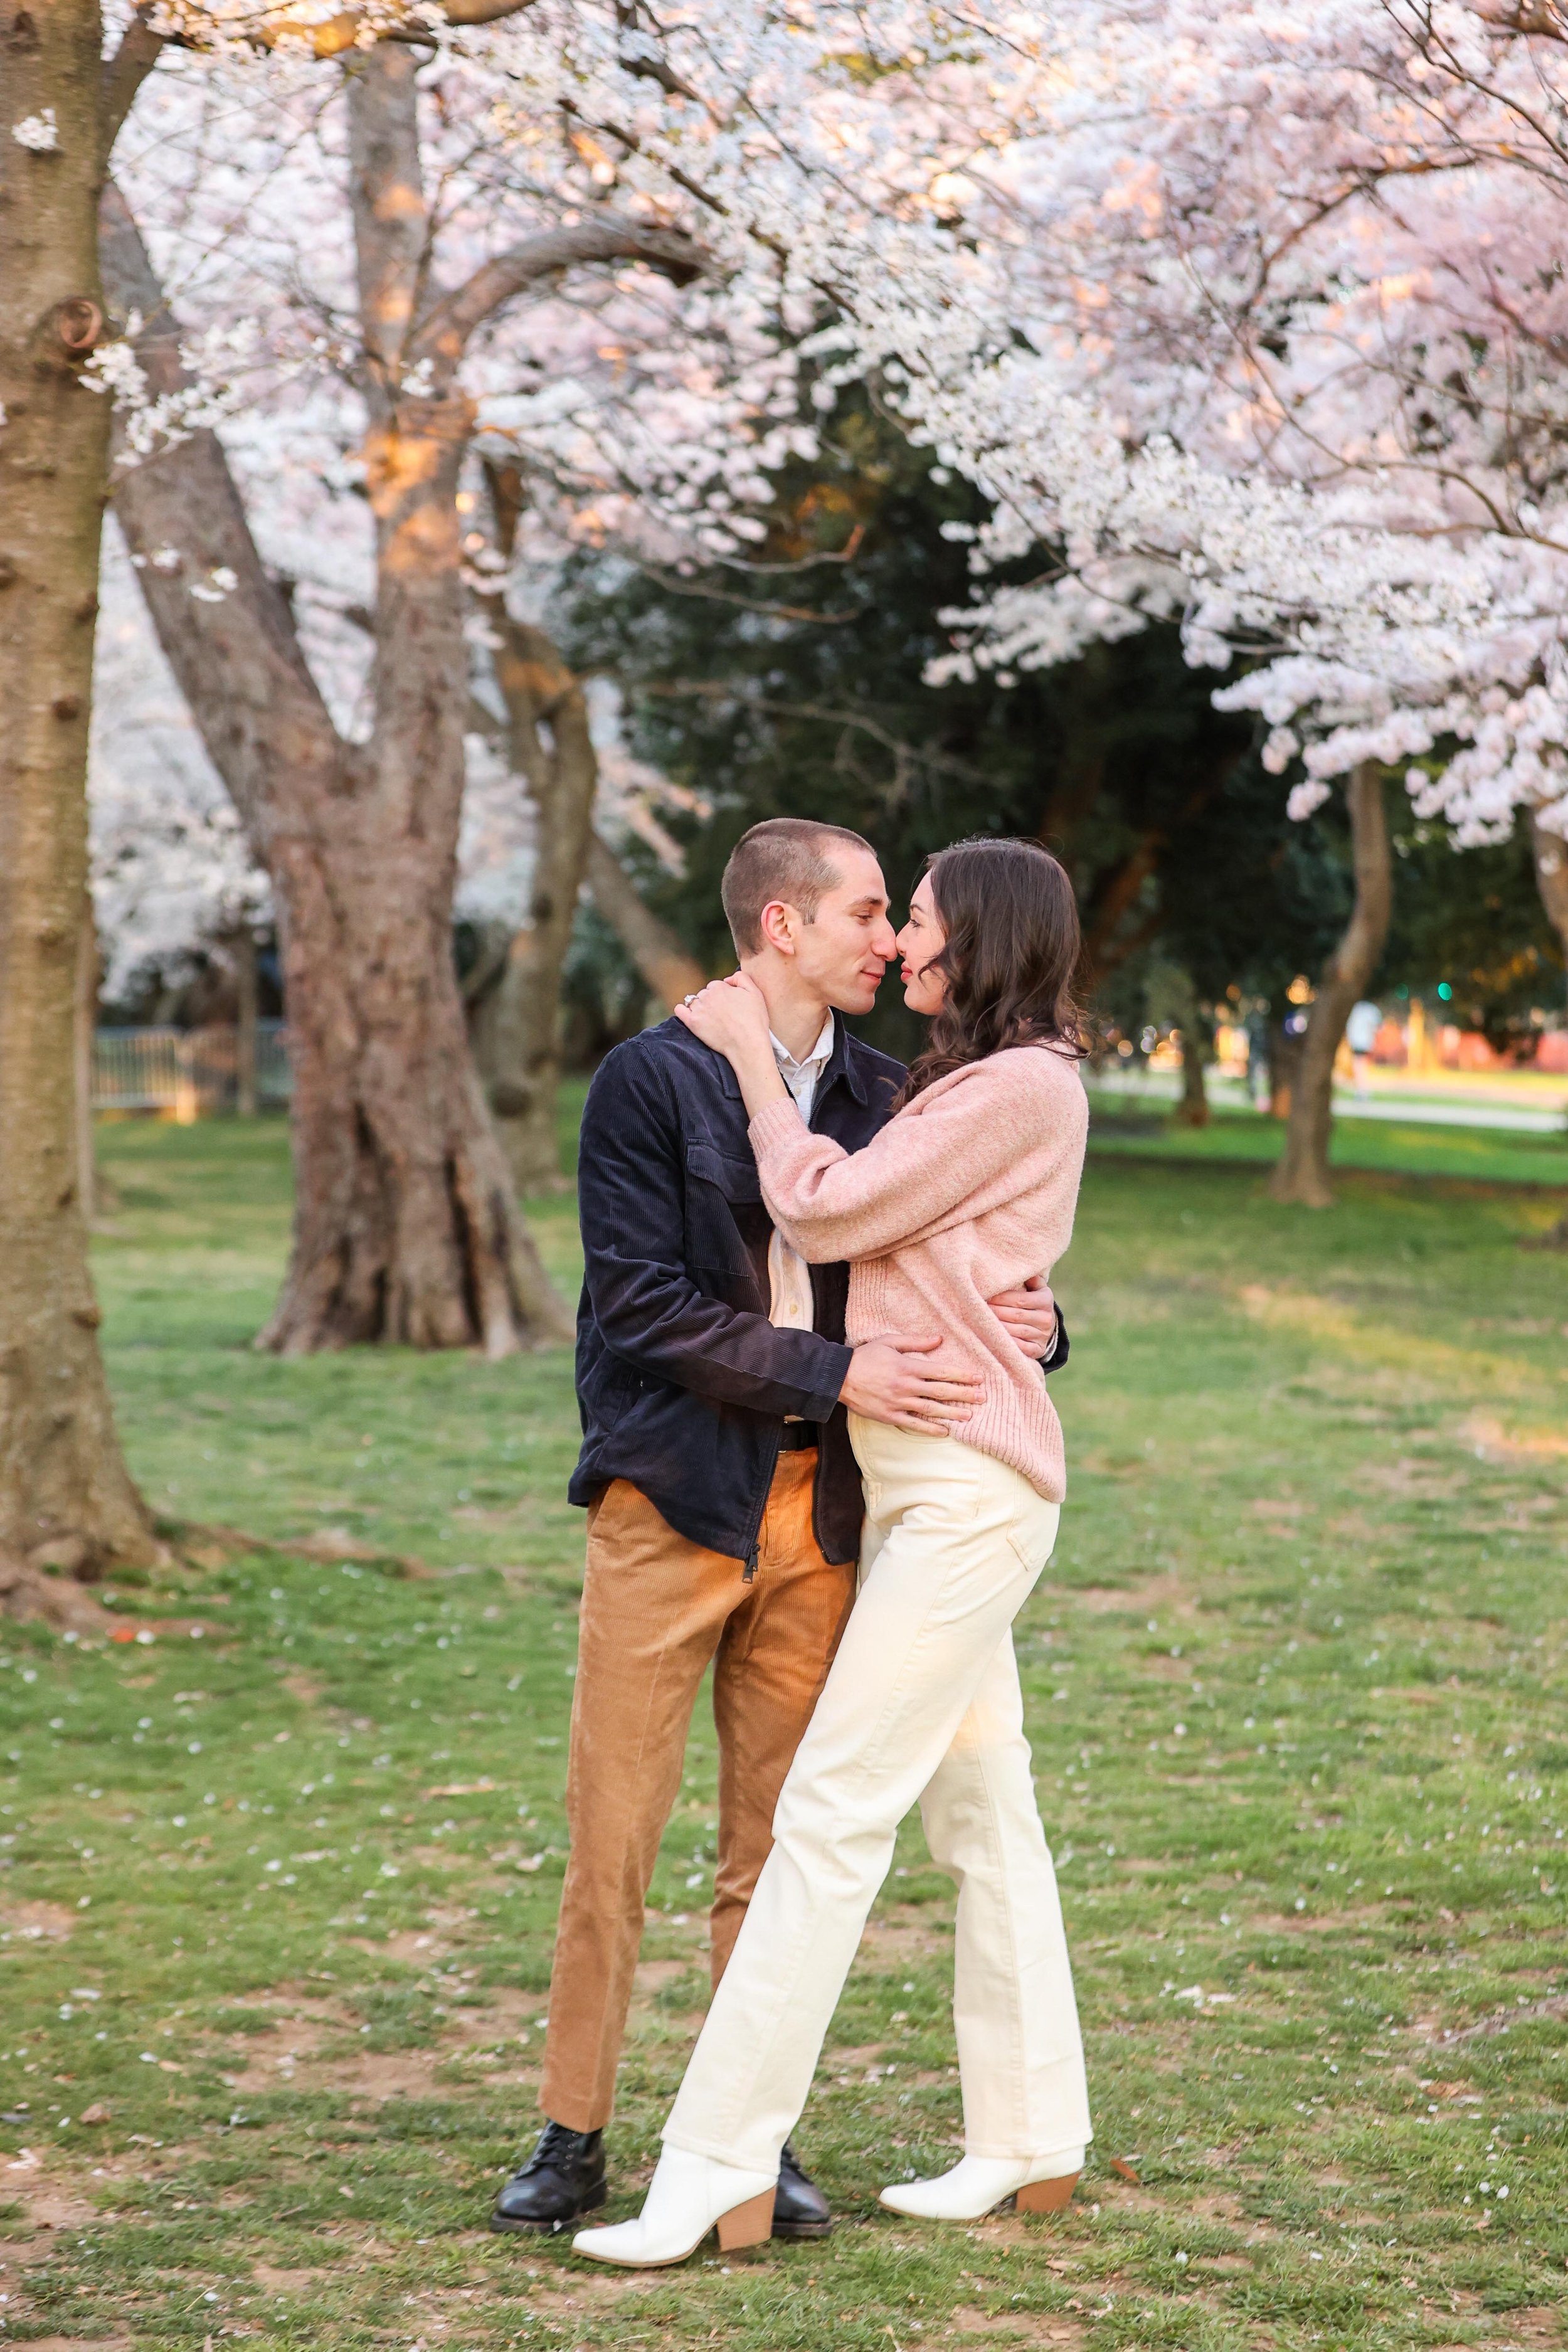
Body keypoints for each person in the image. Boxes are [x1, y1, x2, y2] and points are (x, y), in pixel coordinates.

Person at [489, 819, 1065, 2239]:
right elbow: (639, 1306)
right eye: (870, 914)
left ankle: (754, 2144)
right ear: (780, 930)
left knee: (777, 1838)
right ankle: (572, 2131)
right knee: (611, 1839)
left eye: (900, 916)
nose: (889, 940)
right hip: (674, 1495)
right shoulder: (650, 1079)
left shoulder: (894, 1087)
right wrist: (839, 1369)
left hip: (839, 1508)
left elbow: (957, 1248)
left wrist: (1045, 1332)